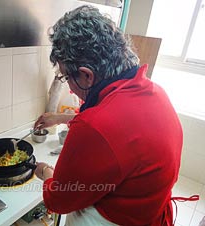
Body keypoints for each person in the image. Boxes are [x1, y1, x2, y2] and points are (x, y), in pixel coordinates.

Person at [34, 5, 183, 226]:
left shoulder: (95, 126)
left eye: (66, 78)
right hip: (149, 212)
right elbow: (121, 130)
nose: (70, 89)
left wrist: (46, 171)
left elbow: (58, 200)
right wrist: (59, 118)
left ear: (86, 76)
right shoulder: (155, 92)